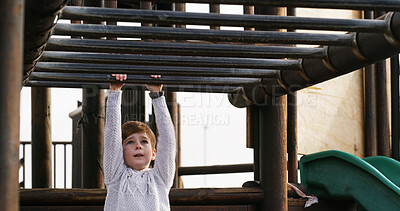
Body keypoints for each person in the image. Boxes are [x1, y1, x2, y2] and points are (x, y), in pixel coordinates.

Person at [103, 74, 176, 211]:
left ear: (154, 153)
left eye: (144, 142)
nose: (138, 146)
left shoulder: (160, 179)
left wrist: (157, 95)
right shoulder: (116, 177)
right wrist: (114, 91)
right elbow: (112, 137)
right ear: (121, 152)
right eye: (130, 142)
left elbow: (168, 143)